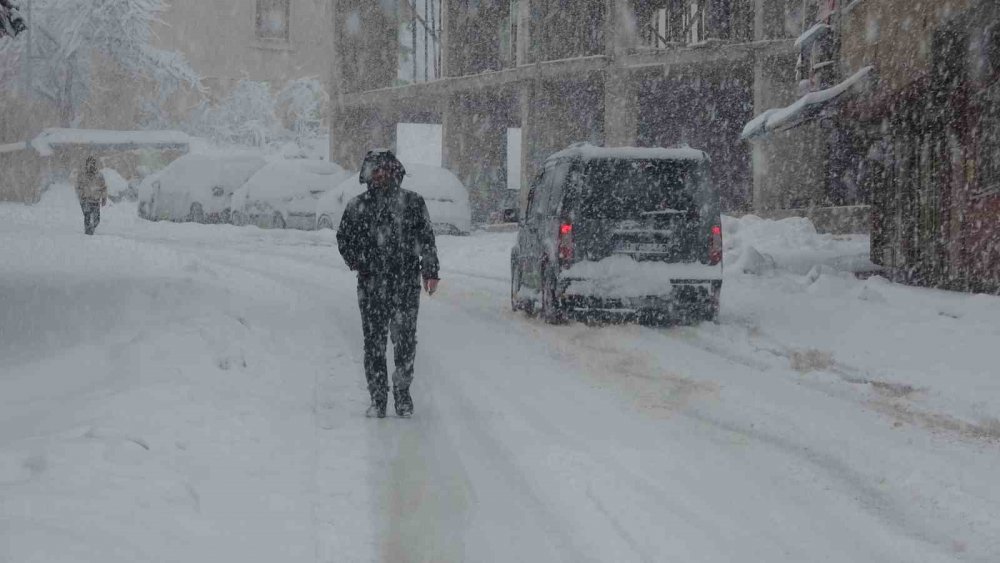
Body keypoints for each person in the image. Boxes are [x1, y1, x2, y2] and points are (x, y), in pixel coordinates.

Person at [337, 149, 440, 418]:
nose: (380, 174)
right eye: (375, 169)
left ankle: (403, 395)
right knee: (374, 344)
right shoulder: (357, 206)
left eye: (385, 169)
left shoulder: (413, 203)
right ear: (367, 174)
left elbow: (427, 239)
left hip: (405, 285)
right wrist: (357, 260)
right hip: (370, 286)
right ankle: (378, 398)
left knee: (405, 342)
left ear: (395, 171)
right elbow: (343, 239)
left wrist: (430, 271)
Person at [75, 156, 108, 236]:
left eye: (93, 164)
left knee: (97, 220)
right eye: (90, 164)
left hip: (95, 200)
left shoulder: (99, 175)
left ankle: (92, 228)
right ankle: (88, 232)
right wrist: (81, 195)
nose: (91, 166)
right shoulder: (82, 175)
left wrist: (104, 198)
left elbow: (104, 188)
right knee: (87, 215)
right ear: (86, 164)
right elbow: (77, 187)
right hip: (85, 200)